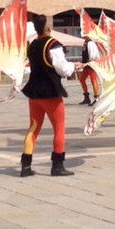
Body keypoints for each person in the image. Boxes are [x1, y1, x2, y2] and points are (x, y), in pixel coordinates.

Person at [21, 15, 84, 177]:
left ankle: (25, 166)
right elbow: (62, 69)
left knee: (33, 128)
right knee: (59, 128)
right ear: (48, 27)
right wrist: (74, 66)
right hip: (50, 92)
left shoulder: (33, 44)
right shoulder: (53, 44)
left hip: (34, 92)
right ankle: (57, 166)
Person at [78, 36, 101, 105]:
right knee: (82, 79)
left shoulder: (91, 43)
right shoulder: (86, 42)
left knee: (94, 81)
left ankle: (96, 98)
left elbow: (93, 55)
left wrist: (87, 62)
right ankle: (86, 97)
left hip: (91, 64)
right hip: (86, 64)